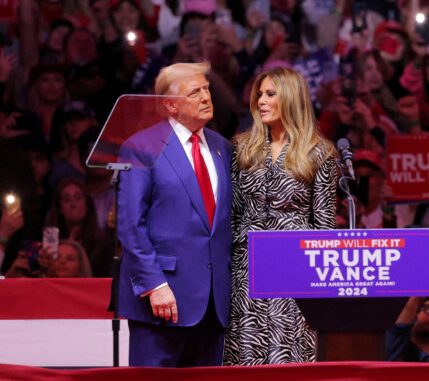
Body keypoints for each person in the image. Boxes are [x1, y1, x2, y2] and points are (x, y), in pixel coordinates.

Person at [117, 61, 233, 367]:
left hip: (213, 303)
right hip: (160, 301)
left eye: (207, 89)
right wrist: (154, 285)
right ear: (170, 104)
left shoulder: (222, 147)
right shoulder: (141, 147)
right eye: (195, 92)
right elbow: (130, 226)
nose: (207, 97)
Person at [224, 66, 338, 365]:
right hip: (246, 271)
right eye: (259, 94)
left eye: (270, 94)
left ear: (290, 97)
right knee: (245, 354)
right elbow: (233, 215)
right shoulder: (241, 149)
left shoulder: (319, 153)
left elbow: (324, 229)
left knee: (287, 356)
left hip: (295, 271)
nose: (261, 101)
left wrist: (321, 300)